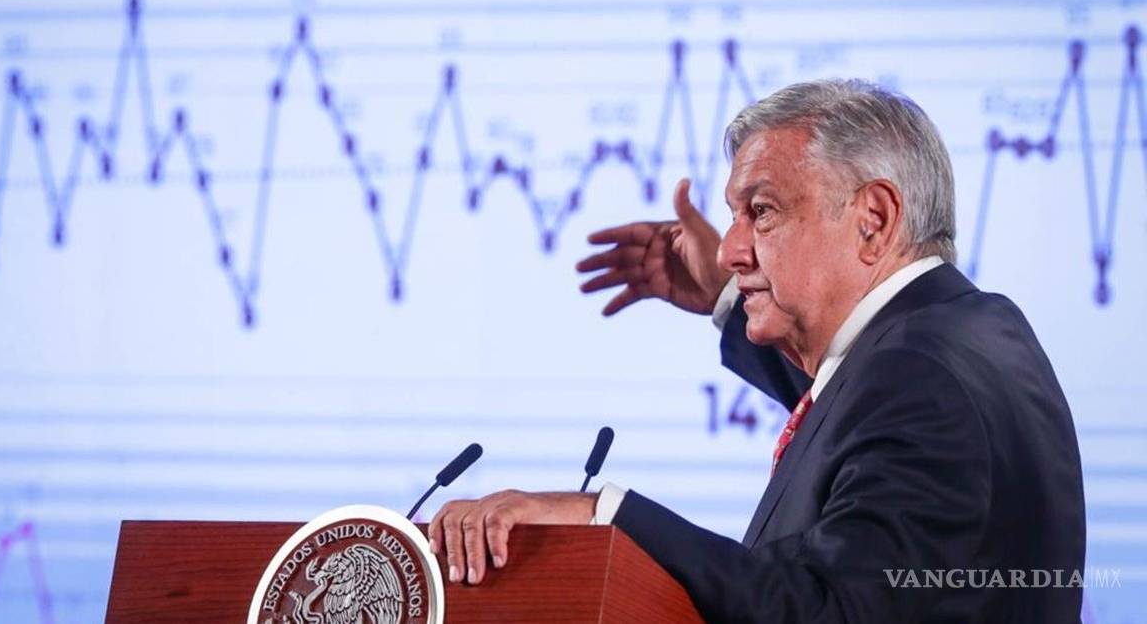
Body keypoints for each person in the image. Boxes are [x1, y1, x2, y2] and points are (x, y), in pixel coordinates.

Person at [428, 79, 1085, 623]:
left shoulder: (918, 377)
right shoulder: (966, 330)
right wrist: (728, 300)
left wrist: (603, 515)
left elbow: (832, 610)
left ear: (874, 221)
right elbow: (855, 421)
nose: (728, 249)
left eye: (762, 211)